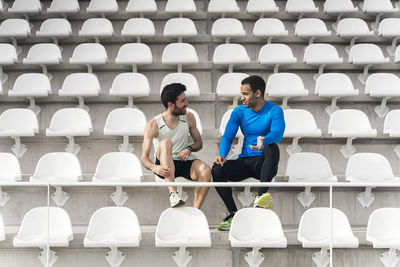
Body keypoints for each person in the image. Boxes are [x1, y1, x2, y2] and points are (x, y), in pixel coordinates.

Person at [212, 75, 285, 230]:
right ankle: (233, 214)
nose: (242, 98)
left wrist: (264, 140)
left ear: (257, 94)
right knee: (217, 168)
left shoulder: (274, 111)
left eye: (245, 94)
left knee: (272, 147)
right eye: (242, 94)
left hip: (264, 165)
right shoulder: (239, 112)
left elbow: (278, 133)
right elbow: (227, 136)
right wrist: (222, 155)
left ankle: (259, 200)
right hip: (245, 161)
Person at [141, 83, 211, 208]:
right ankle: (173, 194)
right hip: (163, 165)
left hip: (183, 161)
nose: (187, 103)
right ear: (171, 105)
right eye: (183, 101)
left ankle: (196, 210)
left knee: (205, 170)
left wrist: (189, 148)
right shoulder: (153, 124)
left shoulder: (189, 117)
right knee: (166, 142)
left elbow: (199, 143)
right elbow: (144, 158)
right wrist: (154, 168)